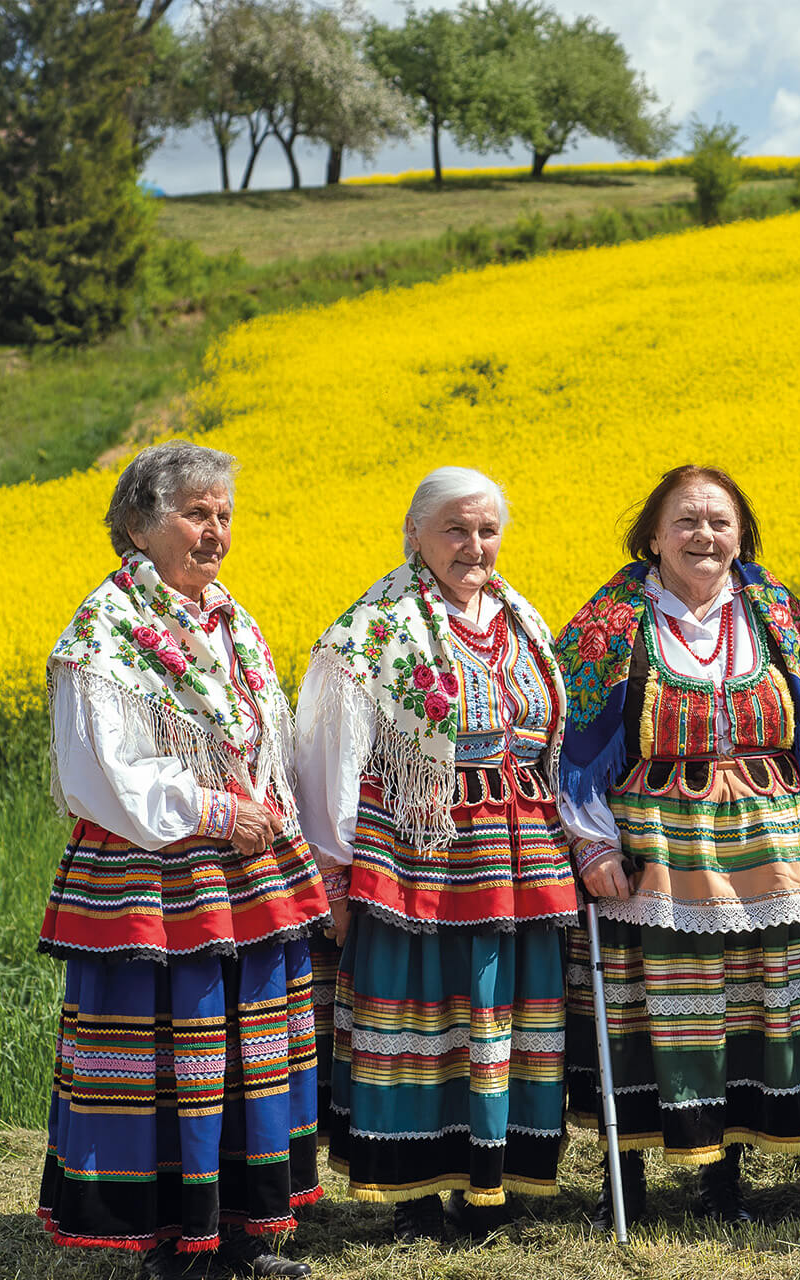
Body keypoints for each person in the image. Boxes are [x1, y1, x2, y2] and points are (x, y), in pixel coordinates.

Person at [37, 440, 325, 1280]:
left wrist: (266, 806)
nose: (215, 532)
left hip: (241, 869)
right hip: (155, 878)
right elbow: (103, 774)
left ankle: (235, 1232)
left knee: (246, 1050)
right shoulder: (106, 634)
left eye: (223, 515)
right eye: (195, 513)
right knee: (172, 1054)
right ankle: (173, 1246)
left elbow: (262, 734)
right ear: (139, 523)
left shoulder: (229, 618)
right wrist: (212, 809)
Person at [554, 464, 800, 1227]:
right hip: (654, 849)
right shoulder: (609, 623)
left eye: (719, 521)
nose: (704, 536)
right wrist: (592, 844)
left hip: (763, 848)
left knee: (745, 1010)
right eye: (685, 521)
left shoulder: (781, 615)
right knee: (639, 1010)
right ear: (652, 536)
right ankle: (629, 1184)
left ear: (741, 533)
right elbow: (571, 746)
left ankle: (725, 1179)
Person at [295, 467, 577, 1243]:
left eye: (487, 530)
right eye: (456, 528)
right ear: (414, 532)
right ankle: (413, 1189)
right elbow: (328, 751)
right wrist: (334, 864)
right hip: (422, 853)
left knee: (508, 1013)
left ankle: (496, 1186)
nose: (474, 545)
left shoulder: (520, 615)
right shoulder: (373, 629)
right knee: (423, 1015)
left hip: (520, 852)